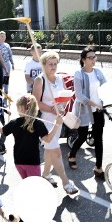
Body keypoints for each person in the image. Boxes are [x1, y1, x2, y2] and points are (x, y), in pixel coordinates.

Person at [33, 51, 78, 195]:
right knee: (56, 151)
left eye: (55, 63)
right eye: (50, 64)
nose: (53, 66)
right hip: (45, 120)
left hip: (58, 120)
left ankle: (46, 174)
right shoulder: (40, 80)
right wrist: (52, 109)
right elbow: (36, 103)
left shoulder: (60, 79)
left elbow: (64, 96)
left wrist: (63, 106)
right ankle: (66, 182)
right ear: (44, 65)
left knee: (50, 149)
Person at [67, 47, 108, 179]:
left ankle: (98, 168)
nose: (93, 60)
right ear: (83, 60)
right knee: (83, 136)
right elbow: (79, 95)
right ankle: (72, 154)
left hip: (98, 110)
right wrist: (93, 103)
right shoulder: (79, 74)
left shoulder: (98, 72)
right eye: (90, 57)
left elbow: (106, 89)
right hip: (84, 109)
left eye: (94, 57)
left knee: (98, 139)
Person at [2, 94, 63, 179]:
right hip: (32, 162)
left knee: (27, 183)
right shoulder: (38, 123)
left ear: (20, 108)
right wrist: (57, 124)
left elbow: (2, 131)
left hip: (18, 162)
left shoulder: (14, 122)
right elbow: (48, 139)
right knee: (34, 187)